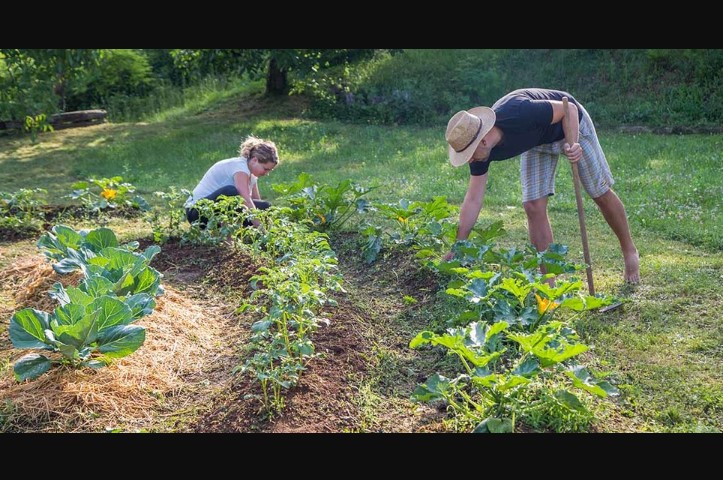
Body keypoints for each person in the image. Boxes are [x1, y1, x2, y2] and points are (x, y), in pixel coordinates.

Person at [444, 88, 639, 283]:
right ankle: (549, 282)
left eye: (469, 155)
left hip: (570, 125)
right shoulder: (480, 151)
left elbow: (568, 108)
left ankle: (629, 251)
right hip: (536, 142)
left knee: (600, 193)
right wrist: (458, 246)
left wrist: (574, 144)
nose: (469, 161)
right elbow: (473, 199)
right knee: (533, 206)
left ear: (483, 140)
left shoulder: (519, 113)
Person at [185, 135, 279, 229]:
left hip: (216, 211)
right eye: (265, 169)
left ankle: (240, 233)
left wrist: (265, 223)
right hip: (197, 213)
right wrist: (261, 227)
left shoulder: (252, 173)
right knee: (231, 192)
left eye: (269, 171)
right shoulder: (240, 168)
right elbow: (245, 200)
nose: (266, 173)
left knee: (265, 206)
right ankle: (228, 238)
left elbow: (256, 203)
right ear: (255, 160)